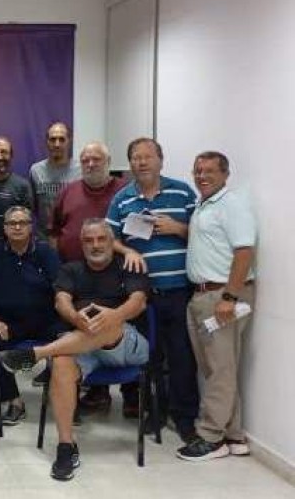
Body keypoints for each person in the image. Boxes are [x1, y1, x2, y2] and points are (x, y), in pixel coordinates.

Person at [0, 218, 149, 481]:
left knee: (108, 323)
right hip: (82, 344)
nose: (95, 245)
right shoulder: (71, 270)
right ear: (81, 244)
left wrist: (114, 316)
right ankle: (66, 446)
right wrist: (76, 317)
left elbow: (138, 302)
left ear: (111, 242)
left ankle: (36, 354)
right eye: (89, 240)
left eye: (101, 239)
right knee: (63, 362)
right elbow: (61, 301)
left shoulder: (128, 266)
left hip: (126, 344)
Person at [106, 137, 199, 441]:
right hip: (141, 295)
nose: (142, 162)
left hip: (179, 290)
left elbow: (205, 234)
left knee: (183, 357)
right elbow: (110, 238)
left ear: (161, 160)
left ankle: (185, 417)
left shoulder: (182, 192)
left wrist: (178, 228)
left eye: (148, 157)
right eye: (136, 158)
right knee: (150, 357)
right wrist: (127, 251)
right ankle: (154, 413)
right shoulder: (122, 199)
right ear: (129, 163)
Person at [177, 151, 256, 462]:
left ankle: (210, 438)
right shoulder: (204, 204)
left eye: (209, 171)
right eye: (197, 170)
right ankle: (234, 435)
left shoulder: (231, 205)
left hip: (222, 296)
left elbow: (244, 251)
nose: (202, 176)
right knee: (219, 369)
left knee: (220, 370)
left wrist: (230, 297)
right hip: (204, 295)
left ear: (225, 174)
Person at [50, 142, 129, 413]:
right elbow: (54, 228)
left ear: (108, 162)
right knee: (82, 323)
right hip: (76, 275)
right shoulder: (69, 191)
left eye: (96, 159)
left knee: (117, 324)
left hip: (116, 274)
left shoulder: (124, 190)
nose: (91, 164)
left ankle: (132, 396)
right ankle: (95, 393)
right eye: (85, 160)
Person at [0, 206, 61, 425]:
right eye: (11, 223)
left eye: (22, 223)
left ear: (31, 227)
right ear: (5, 228)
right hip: (7, 323)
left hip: (45, 321)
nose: (17, 227)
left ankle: (63, 400)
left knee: (68, 341)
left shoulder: (46, 253)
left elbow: (61, 289)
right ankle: (14, 401)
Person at [29, 122, 81, 238]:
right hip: (44, 237)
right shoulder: (36, 170)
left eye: (62, 139)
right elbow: (33, 207)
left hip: (72, 237)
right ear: (47, 142)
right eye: (53, 139)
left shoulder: (81, 171)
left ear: (69, 141)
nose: (57, 144)